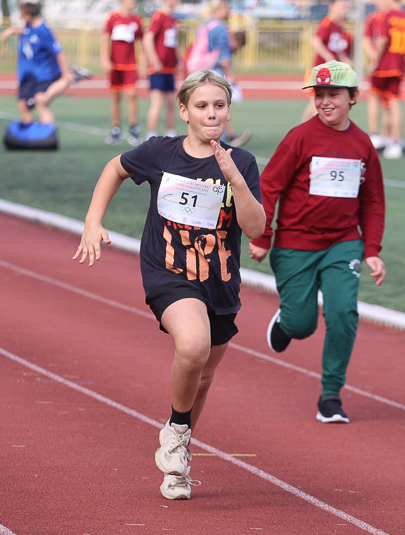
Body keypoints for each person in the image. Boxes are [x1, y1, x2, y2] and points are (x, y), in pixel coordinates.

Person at [73, 70, 265, 500]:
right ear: (184, 112)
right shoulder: (161, 153)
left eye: (219, 106)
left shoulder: (244, 163)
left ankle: (177, 458)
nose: (211, 113)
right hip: (168, 273)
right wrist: (92, 220)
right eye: (201, 106)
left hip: (220, 282)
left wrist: (234, 178)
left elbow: (255, 229)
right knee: (193, 345)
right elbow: (116, 168)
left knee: (203, 376)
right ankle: (177, 429)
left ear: (229, 111)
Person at [249, 61, 385, 424]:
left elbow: (372, 199)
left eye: (333, 95)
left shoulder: (362, 144)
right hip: (295, 244)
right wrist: (264, 236)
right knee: (302, 325)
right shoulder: (299, 137)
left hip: (344, 244)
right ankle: (288, 321)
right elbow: (269, 186)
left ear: (353, 98)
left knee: (343, 314)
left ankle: (331, 395)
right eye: (319, 95)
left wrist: (371, 249)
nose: (325, 102)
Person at [188, 0, 252, 147]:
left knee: (201, 107)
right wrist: (230, 76)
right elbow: (223, 57)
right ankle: (219, 142)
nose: (228, 10)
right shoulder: (221, 28)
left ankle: (201, 141)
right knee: (218, 107)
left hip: (199, 69)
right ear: (218, 9)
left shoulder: (206, 26)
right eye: (225, 7)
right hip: (214, 71)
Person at [1, 1, 75, 125]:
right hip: (27, 75)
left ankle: (48, 134)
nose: (21, 18)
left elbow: (58, 51)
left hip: (43, 75)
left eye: (22, 15)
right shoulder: (28, 27)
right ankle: (29, 136)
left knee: (40, 101)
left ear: (29, 15)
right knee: (23, 105)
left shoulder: (44, 31)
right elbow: (24, 31)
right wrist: (12, 31)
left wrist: (65, 72)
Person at [364, 0, 405, 159]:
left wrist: (374, 60)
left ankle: (377, 136)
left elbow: (383, 39)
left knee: (377, 97)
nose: (380, 1)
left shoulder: (387, 15)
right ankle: (392, 139)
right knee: (390, 102)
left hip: (384, 65)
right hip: (398, 65)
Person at [101, 0, 144, 145]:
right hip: (115, 65)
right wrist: (105, 59)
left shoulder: (137, 20)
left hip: (130, 64)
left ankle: (134, 128)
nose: (131, 3)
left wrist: (144, 61)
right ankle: (116, 129)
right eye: (129, 0)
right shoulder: (113, 18)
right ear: (122, 1)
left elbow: (142, 40)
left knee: (132, 95)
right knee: (116, 96)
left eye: (134, 1)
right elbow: (104, 39)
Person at [301, 0, 353, 121]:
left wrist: (344, 59)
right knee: (319, 104)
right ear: (332, 7)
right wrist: (329, 57)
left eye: (345, 8)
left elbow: (336, 48)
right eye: (341, 7)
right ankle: (309, 133)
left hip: (332, 71)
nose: (344, 11)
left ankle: (303, 133)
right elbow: (315, 41)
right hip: (322, 70)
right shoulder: (327, 23)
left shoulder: (338, 26)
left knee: (317, 103)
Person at [143, 0, 181, 139]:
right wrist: (154, 59)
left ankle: (170, 134)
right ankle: (151, 135)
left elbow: (173, 42)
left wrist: (179, 60)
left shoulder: (173, 19)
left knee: (172, 102)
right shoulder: (159, 16)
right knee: (157, 103)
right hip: (159, 69)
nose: (172, 1)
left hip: (170, 68)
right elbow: (148, 38)